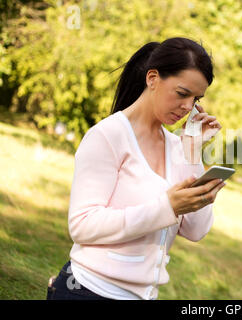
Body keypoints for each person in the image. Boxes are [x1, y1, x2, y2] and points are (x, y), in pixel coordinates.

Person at [47, 37, 225, 300]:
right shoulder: (108, 135)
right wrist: (167, 207)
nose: (188, 106)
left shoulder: (179, 147)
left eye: (196, 98)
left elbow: (196, 231)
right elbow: (82, 225)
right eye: (182, 93)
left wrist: (192, 150)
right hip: (88, 291)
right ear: (152, 78)